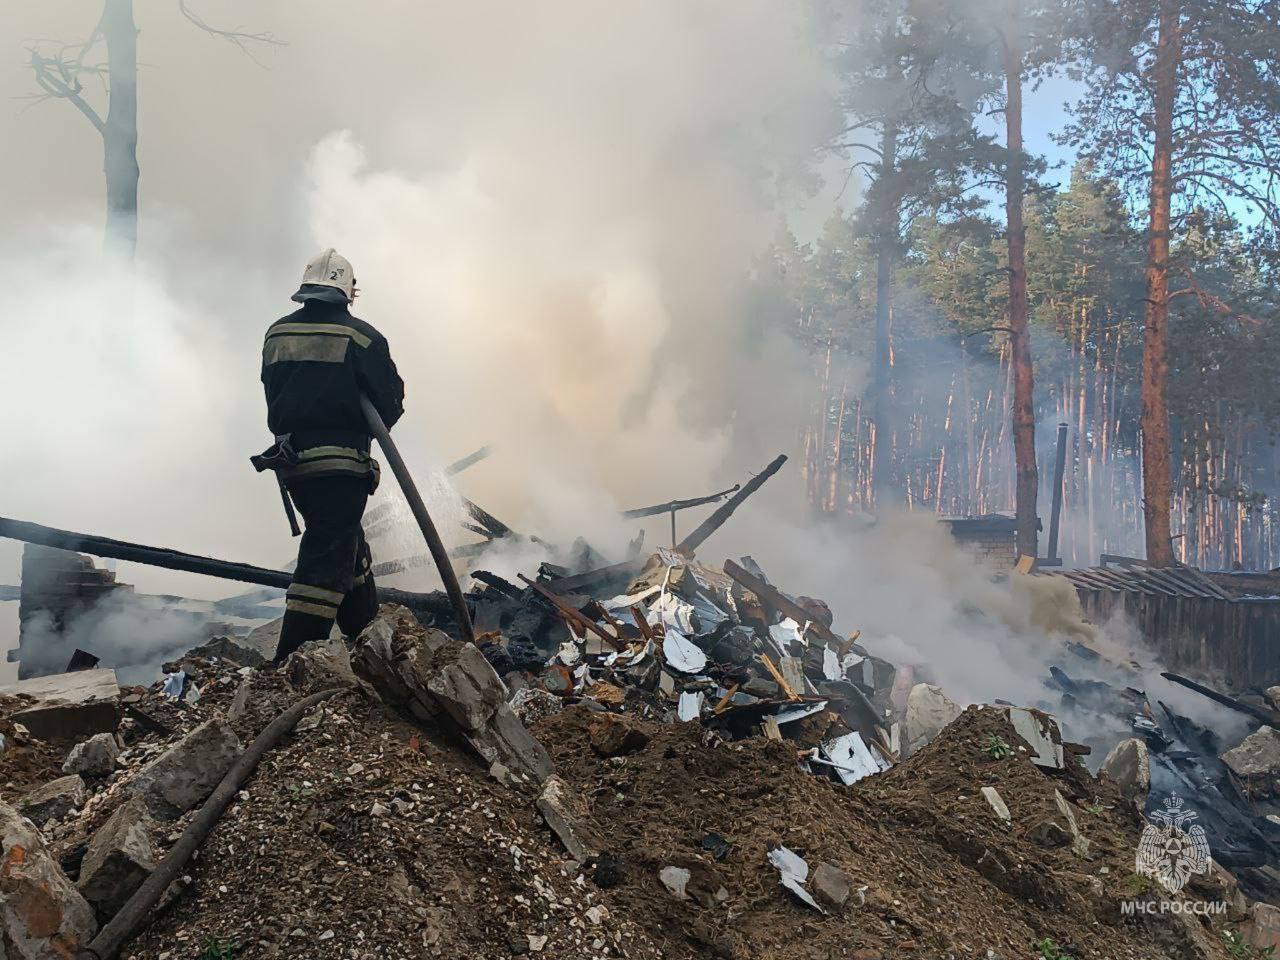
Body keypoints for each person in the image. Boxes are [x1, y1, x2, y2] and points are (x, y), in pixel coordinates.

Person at [252, 248, 404, 664]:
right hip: (341, 467)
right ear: (349, 291)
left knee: (345, 545)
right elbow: (390, 404)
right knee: (326, 553)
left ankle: (368, 643)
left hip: (294, 466)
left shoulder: (276, 334)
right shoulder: (362, 337)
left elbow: (273, 394)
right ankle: (292, 661)